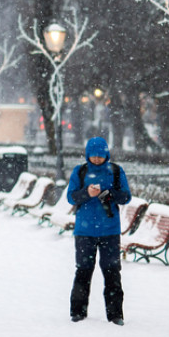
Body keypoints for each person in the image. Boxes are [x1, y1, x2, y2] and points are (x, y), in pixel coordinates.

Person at [67, 136, 131, 325]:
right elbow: (71, 197)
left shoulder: (116, 171)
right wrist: (87, 193)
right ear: (87, 155)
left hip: (109, 231)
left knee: (112, 272)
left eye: (100, 155)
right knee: (83, 271)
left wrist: (109, 194)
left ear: (106, 154)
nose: (96, 159)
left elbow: (126, 197)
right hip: (84, 231)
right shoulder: (80, 172)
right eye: (93, 155)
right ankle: (78, 312)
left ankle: (115, 314)